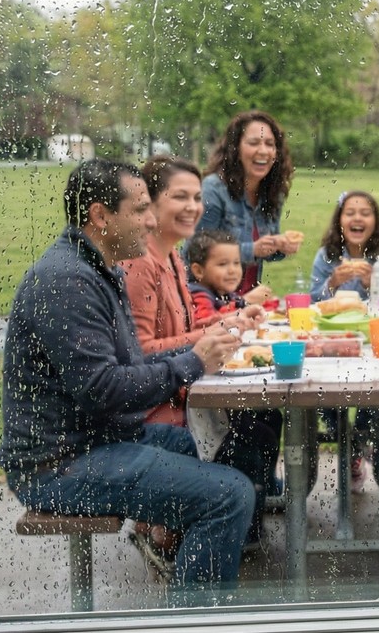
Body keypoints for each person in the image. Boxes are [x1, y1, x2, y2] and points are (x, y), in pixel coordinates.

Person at [0, 158, 254, 604]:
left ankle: (176, 557)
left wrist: (202, 344)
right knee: (229, 495)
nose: (152, 220)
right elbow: (105, 390)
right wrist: (193, 361)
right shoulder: (69, 281)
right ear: (100, 215)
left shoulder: (99, 267)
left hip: (90, 440)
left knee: (182, 445)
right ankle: (195, 617)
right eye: (139, 210)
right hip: (57, 466)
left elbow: (130, 362)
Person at [121, 155, 280, 549]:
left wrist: (230, 322)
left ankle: (241, 525)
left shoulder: (173, 257)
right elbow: (139, 353)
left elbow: (189, 330)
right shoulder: (142, 264)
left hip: (182, 387)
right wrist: (210, 336)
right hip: (155, 404)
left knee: (264, 416)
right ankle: (212, 528)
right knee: (252, 427)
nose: (193, 206)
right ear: (150, 204)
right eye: (180, 197)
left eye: (197, 196)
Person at [308, 190, 379, 485]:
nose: (357, 218)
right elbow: (313, 303)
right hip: (333, 340)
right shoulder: (327, 257)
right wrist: (332, 282)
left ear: (375, 222)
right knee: (321, 391)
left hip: (371, 342)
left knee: (374, 393)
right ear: (340, 221)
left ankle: (357, 443)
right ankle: (343, 439)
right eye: (350, 212)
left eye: (365, 212)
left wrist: (375, 282)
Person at [195, 110, 301, 302]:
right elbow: (195, 251)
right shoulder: (214, 189)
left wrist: (280, 245)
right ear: (235, 148)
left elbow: (266, 252)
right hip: (209, 302)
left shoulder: (272, 193)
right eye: (254, 143)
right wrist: (252, 249)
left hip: (247, 301)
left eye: (270, 144)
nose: (263, 150)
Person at [186, 229, 248, 321]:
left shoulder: (225, 294)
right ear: (199, 271)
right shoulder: (199, 297)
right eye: (222, 264)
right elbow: (206, 322)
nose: (232, 270)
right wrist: (245, 303)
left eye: (236, 263)